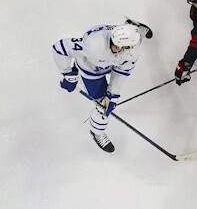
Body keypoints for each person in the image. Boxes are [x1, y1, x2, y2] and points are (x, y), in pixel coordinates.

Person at [51, 18, 152, 153]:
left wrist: (112, 94)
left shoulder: (133, 51)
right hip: (91, 69)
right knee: (102, 107)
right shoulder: (94, 44)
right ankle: (97, 132)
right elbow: (60, 48)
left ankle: (133, 25)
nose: (115, 48)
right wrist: (68, 74)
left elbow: (121, 72)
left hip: (111, 64)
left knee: (108, 100)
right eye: (114, 45)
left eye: (120, 47)